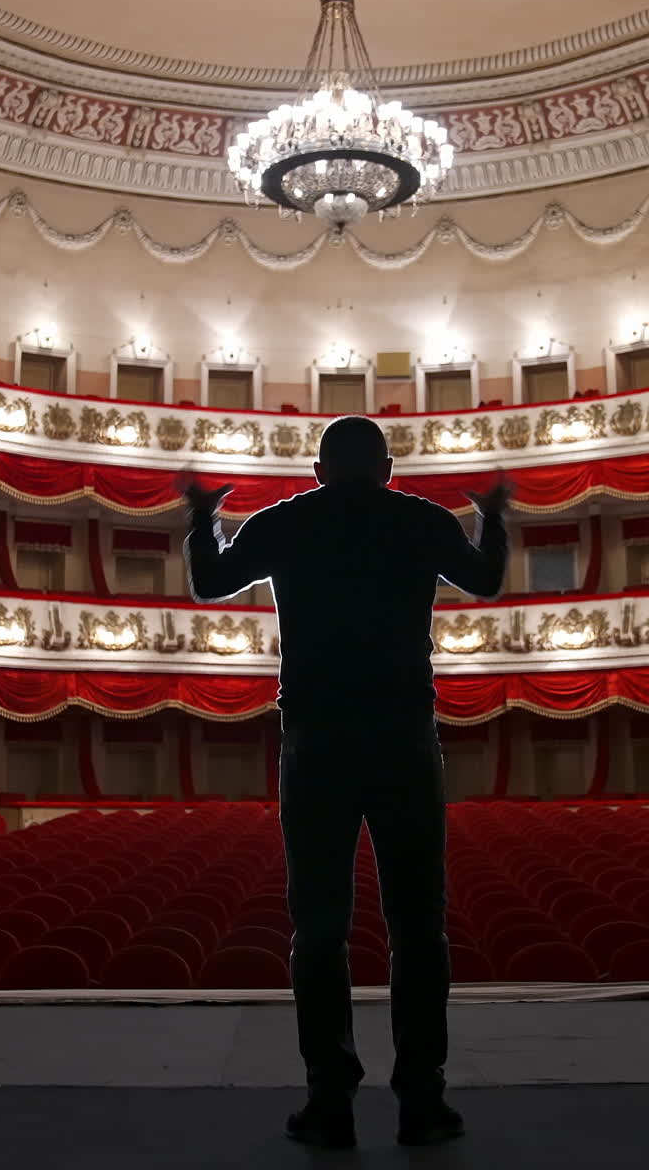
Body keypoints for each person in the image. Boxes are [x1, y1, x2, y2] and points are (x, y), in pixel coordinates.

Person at [181, 414, 510, 1149]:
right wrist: (493, 519)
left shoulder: (284, 521)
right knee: (418, 925)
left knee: (320, 927)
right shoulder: (421, 520)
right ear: (387, 470)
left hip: (316, 738)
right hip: (402, 734)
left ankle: (330, 1103)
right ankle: (422, 1103)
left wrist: (203, 521)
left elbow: (210, 583)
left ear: (319, 470)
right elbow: (486, 580)